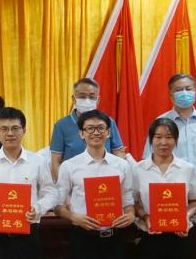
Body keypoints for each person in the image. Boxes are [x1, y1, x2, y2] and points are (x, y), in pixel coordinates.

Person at [0, 107, 59, 259]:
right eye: (4, 129)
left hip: (29, 235)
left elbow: (51, 193)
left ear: (24, 130)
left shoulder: (38, 161)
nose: (10, 133)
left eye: (15, 128)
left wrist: (38, 209)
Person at [54, 110, 135, 259]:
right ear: (81, 133)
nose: (96, 132)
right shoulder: (69, 166)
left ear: (108, 132)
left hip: (115, 237)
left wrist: (130, 214)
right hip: (83, 238)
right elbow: (57, 205)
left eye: (100, 128)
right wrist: (74, 217)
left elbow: (128, 201)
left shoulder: (122, 165)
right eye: (90, 128)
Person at [133, 118, 196, 259]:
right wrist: (146, 217)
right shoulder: (137, 169)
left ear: (176, 140)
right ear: (151, 140)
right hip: (149, 237)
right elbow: (133, 203)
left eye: (169, 137)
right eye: (158, 137)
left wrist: (185, 216)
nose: (163, 142)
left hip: (181, 237)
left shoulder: (187, 169)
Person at [142, 74, 196, 177]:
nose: (184, 93)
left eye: (188, 89)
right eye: (178, 90)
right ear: (171, 95)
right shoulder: (160, 123)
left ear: (195, 92)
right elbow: (148, 159)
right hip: (172, 184)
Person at [49, 78, 127, 180]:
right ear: (74, 99)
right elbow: (55, 161)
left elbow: (118, 153)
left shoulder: (108, 122)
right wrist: (63, 184)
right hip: (74, 181)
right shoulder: (61, 125)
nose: (87, 100)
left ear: (98, 100)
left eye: (92, 97)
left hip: (105, 180)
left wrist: (117, 178)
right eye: (82, 96)